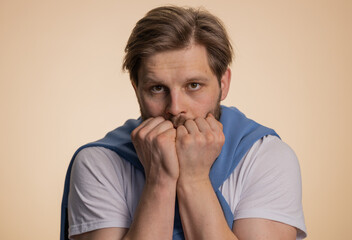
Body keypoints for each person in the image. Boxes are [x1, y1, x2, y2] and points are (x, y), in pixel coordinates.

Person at [60, 6, 307, 240]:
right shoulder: (99, 162)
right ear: (136, 89)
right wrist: (160, 179)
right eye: (157, 88)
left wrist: (195, 179)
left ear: (223, 83)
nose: (175, 107)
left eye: (193, 85)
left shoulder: (266, 156)